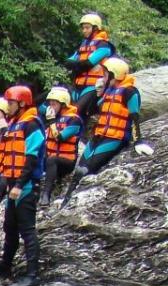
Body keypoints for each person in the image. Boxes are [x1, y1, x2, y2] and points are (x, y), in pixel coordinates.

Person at [61, 57, 153, 206]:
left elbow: (134, 117)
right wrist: (99, 93)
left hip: (116, 137)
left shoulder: (130, 92)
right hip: (100, 135)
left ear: (114, 74)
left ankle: (71, 202)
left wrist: (138, 141)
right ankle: (66, 201)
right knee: (79, 169)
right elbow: (92, 110)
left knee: (86, 170)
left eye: (105, 74)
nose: (102, 77)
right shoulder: (109, 90)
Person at [0, 85, 45, 286]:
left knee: (27, 230)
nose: (7, 107)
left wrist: (19, 184)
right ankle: (5, 265)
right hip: (12, 183)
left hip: (25, 185)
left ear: (21, 104)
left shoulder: (32, 124)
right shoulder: (14, 123)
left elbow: (32, 156)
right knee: (10, 227)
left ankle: (32, 274)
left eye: (10, 103)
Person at [65, 13, 115, 122]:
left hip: (94, 86)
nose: (84, 30)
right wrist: (79, 64)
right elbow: (68, 62)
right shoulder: (84, 44)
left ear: (96, 28)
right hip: (78, 85)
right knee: (66, 110)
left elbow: (89, 64)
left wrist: (77, 64)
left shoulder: (103, 45)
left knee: (76, 112)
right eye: (83, 28)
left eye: (87, 28)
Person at [40, 86, 83, 205]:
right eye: (50, 104)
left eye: (54, 104)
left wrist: (52, 122)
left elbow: (60, 138)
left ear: (63, 104)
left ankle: (46, 195)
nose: (51, 107)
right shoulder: (54, 118)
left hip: (66, 162)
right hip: (50, 158)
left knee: (52, 160)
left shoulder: (74, 120)